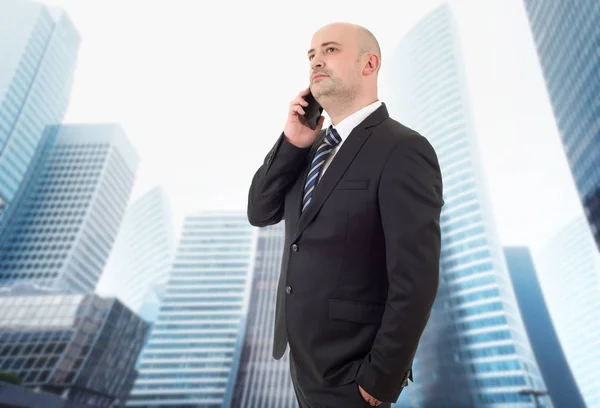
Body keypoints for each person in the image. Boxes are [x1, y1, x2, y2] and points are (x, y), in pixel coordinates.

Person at [247, 21, 444, 408]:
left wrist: (380, 380)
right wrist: (292, 142)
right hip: (302, 365)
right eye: (311, 54)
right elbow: (260, 211)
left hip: (354, 375)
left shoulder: (403, 149)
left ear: (369, 64)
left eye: (331, 50)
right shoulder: (309, 148)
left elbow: (415, 278)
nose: (316, 60)